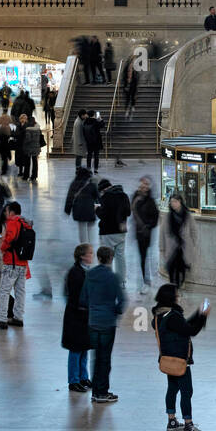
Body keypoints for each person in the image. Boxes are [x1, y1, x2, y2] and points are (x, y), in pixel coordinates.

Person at [153, 284, 210, 431]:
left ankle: (172, 421)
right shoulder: (173, 316)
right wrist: (203, 316)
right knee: (186, 391)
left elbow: (183, 326)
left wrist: (198, 314)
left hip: (168, 358)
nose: (179, 297)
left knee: (172, 388)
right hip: (179, 360)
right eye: (177, 295)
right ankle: (188, 425)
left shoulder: (160, 315)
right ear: (172, 298)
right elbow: (191, 330)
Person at [79, 245, 125, 403]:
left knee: (95, 357)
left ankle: (95, 391)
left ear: (98, 258)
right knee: (105, 359)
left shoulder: (90, 274)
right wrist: (115, 311)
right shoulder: (113, 277)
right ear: (111, 259)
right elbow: (122, 300)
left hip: (93, 322)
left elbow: (83, 299)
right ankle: (102, 392)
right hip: (108, 323)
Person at [0, 202, 31, 330]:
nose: (6, 214)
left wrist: (3, 247)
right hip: (23, 263)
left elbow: (10, 238)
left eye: (7, 211)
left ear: (11, 212)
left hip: (11, 263)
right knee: (20, 291)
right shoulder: (25, 223)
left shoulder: (12, 222)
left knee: (4, 291)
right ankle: (18, 317)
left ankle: (1, 319)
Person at [63, 244, 94, 392]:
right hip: (76, 316)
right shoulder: (76, 273)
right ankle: (73, 380)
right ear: (82, 256)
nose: (92, 256)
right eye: (90, 253)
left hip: (84, 315)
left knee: (84, 347)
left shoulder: (84, 272)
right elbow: (75, 295)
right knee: (76, 349)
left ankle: (83, 377)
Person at [161, 192, 197, 288]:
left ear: (180, 202)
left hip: (183, 246)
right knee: (172, 267)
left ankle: (180, 283)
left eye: (175, 201)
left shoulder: (187, 215)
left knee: (181, 267)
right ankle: (174, 285)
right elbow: (163, 232)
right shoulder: (168, 216)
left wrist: (192, 243)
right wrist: (162, 246)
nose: (173, 204)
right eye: (171, 202)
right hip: (172, 246)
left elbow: (193, 231)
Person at [131, 176, 159, 295]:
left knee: (145, 256)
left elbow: (155, 218)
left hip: (146, 234)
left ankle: (146, 280)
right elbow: (131, 210)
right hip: (138, 233)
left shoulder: (151, 201)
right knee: (142, 257)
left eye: (145, 185)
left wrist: (148, 226)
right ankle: (144, 280)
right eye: (141, 185)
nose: (143, 187)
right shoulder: (135, 197)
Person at [64, 165, 98, 246]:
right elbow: (97, 197)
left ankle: (84, 246)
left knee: (82, 227)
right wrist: (100, 210)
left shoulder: (74, 183)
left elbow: (70, 197)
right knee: (90, 226)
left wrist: (67, 210)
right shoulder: (91, 184)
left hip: (78, 210)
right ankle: (90, 245)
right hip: (90, 209)